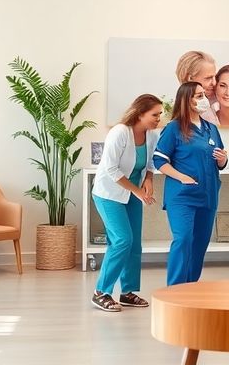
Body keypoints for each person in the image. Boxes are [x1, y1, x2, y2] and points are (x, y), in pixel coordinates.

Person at [90, 94, 162, 312]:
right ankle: (101, 292)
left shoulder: (151, 135)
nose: (159, 118)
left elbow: (150, 162)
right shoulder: (120, 132)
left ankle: (127, 292)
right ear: (140, 113)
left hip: (132, 193)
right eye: (155, 114)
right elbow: (111, 169)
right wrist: (139, 191)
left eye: (160, 114)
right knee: (122, 240)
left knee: (134, 243)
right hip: (109, 193)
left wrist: (149, 179)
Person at [153, 82, 228, 285]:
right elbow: (159, 160)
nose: (204, 99)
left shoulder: (211, 129)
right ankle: (175, 289)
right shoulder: (173, 128)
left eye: (204, 95)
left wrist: (223, 160)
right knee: (183, 239)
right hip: (182, 196)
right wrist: (181, 177)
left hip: (208, 195)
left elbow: (220, 159)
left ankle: (190, 287)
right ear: (186, 100)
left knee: (199, 244)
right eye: (198, 95)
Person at [175, 50, 219, 124]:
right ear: (190, 79)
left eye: (215, 77)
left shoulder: (217, 100)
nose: (214, 83)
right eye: (208, 78)